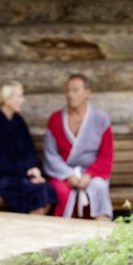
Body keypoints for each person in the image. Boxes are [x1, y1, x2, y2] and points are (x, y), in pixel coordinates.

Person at [0, 81, 57, 214]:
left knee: (47, 189)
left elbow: (29, 151)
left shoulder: (18, 121)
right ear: (6, 99)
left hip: (19, 176)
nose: (23, 100)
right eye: (19, 96)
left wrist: (33, 170)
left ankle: (32, 228)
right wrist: (26, 173)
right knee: (32, 189)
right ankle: (32, 229)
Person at [43, 74, 113, 221]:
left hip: (92, 174)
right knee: (61, 191)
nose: (70, 95)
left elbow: (106, 155)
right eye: (67, 90)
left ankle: (103, 232)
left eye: (75, 90)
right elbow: (51, 155)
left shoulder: (101, 119)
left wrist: (89, 175)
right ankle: (62, 233)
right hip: (63, 174)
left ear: (87, 92)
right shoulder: (55, 120)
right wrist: (68, 175)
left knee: (99, 188)